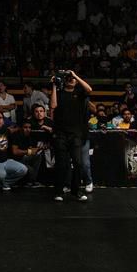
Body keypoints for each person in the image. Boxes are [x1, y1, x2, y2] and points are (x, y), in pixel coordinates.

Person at [50, 70, 92, 202]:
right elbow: (53, 105)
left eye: (72, 78)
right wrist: (54, 86)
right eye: (68, 78)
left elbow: (89, 89)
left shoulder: (79, 93)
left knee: (78, 163)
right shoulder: (59, 93)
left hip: (75, 135)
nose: (71, 79)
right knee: (62, 164)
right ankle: (59, 191)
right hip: (60, 134)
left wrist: (75, 75)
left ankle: (76, 190)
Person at [0, 111, 28, 192]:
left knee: (23, 169)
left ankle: (5, 183)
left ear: (3, 120)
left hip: (5, 161)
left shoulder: (6, 130)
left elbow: (13, 130)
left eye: (0, 118)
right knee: (2, 174)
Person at [10, 120, 42, 187]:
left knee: (38, 156)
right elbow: (14, 152)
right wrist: (28, 151)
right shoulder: (16, 136)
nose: (28, 129)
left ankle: (31, 181)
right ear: (21, 128)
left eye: (29, 127)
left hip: (25, 158)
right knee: (31, 170)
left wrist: (38, 149)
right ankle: (32, 180)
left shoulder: (30, 137)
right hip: (15, 160)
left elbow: (32, 151)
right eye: (25, 127)